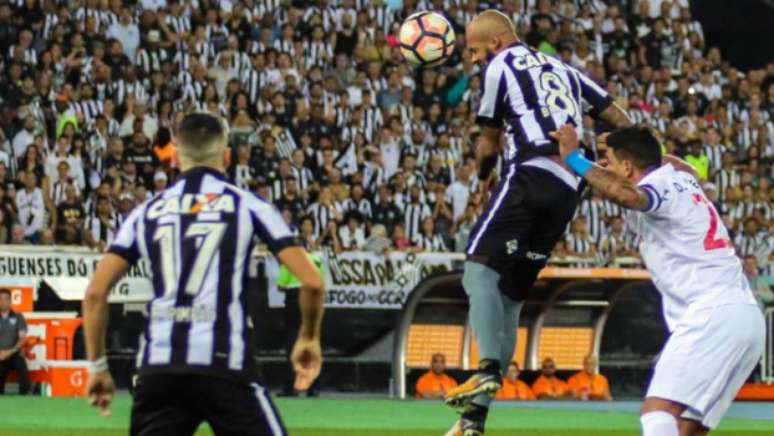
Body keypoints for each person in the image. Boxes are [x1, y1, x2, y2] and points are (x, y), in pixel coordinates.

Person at [444, 9, 632, 435]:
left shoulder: (500, 67)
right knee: (510, 295)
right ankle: (473, 422)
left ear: (494, 43)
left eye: (474, 50)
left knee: (477, 271)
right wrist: (631, 155)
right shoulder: (564, 68)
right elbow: (615, 114)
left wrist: (484, 173)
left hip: (528, 173)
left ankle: (488, 368)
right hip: (570, 185)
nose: (473, 60)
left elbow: (489, 141)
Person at [81, 112, 326, 435]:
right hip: (225, 365)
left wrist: (98, 366)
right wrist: (308, 337)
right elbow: (311, 281)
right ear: (226, 156)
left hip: (159, 369)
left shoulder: (146, 212)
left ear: (176, 155)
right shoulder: (250, 206)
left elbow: (96, 294)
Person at [552, 124, 765, 436]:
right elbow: (678, 164)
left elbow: (626, 194)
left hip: (710, 314)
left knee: (658, 414)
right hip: (744, 317)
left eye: (608, 161)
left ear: (627, 166)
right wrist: (634, 142)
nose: (603, 168)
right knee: (686, 429)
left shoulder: (658, 186)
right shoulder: (681, 178)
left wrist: (574, 158)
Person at [277, 250, 326, 397]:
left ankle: (291, 386)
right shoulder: (316, 260)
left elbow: (281, 285)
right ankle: (314, 387)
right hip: (313, 298)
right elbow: (319, 283)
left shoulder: (291, 260)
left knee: (293, 341)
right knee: (313, 340)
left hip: (294, 298)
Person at [0, 289, 29, 395]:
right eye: (1, 299)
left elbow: (22, 338)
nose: (3, 302)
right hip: (0, 355)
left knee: (21, 362)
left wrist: (10, 351)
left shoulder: (18, 317)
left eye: (6, 299)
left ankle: (24, 396)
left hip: (14, 353)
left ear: (10, 301)